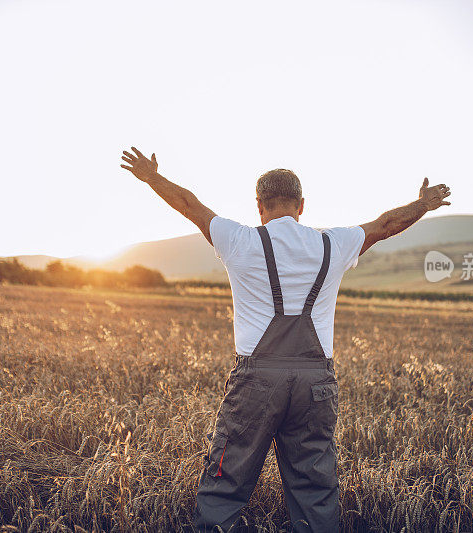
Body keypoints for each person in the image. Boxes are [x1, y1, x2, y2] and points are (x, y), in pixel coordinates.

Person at [120, 147, 451, 532]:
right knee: (315, 490)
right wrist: (423, 204)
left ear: (259, 206)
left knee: (225, 485)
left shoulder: (238, 240)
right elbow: (385, 224)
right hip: (315, 384)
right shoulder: (334, 244)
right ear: (302, 206)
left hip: (255, 384)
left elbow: (188, 204)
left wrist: (151, 177)